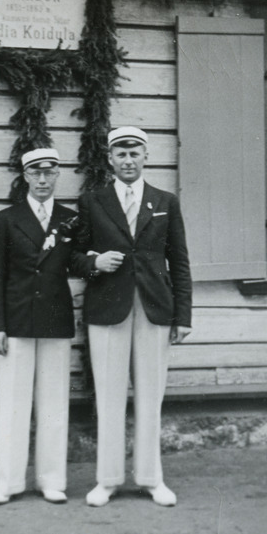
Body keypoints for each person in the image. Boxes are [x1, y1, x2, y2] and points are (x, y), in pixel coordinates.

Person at [76, 126, 192, 507]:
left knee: (150, 395)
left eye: (135, 153)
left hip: (154, 308)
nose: (128, 160)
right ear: (110, 159)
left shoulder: (164, 201)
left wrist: (183, 316)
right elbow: (74, 257)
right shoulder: (93, 201)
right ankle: (107, 480)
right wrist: (95, 261)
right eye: (121, 154)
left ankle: (150, 478)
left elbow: (180, 261)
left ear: (146, 157)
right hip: (108, 308)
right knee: (109, 396)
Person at [0, 148, 89, 506]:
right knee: (13, 405)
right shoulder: (5, 220)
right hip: (14, 321)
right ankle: (8, 483)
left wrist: (97, 263)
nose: (43, 180)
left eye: (50, 173)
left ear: (58, 175)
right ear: (25, 176)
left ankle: (51, 480)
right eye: (36, 174)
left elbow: (78, 263)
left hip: (55, 320)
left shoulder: (71, 220)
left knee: (54, 405)